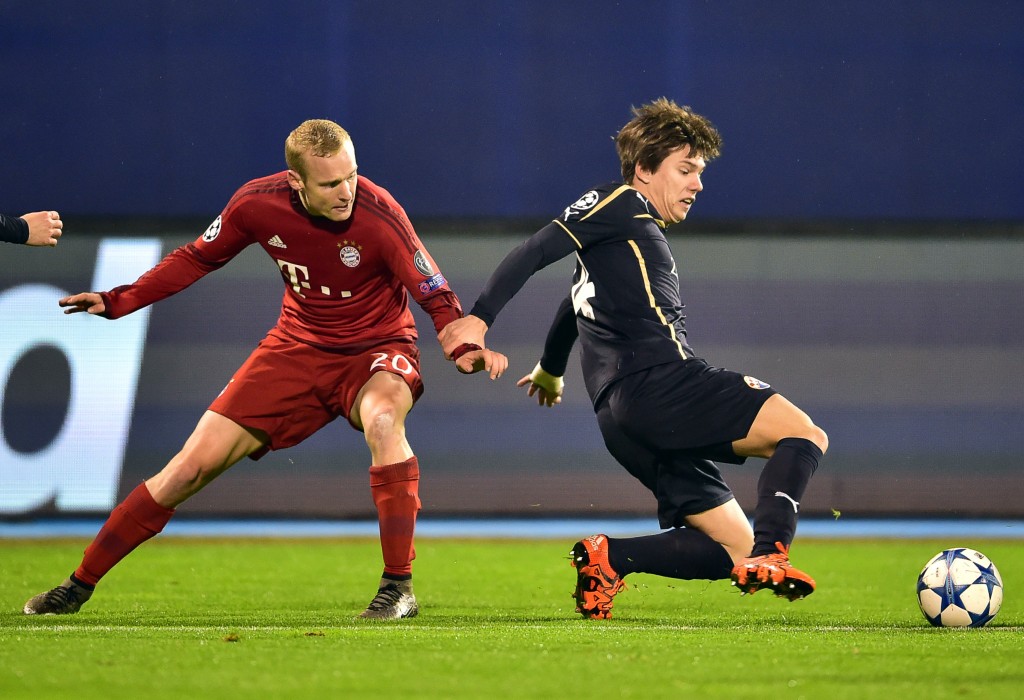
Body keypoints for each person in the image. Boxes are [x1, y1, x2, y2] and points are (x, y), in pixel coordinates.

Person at [23, 119, 507, 620]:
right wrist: (118, 300)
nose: (347, 192)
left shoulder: (380, 215)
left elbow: (435, 294)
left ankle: (397, 588)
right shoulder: (257, 203)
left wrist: (461, 347)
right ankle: (77, 585)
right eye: (330, 183)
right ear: (296, 181)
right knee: (187, 469)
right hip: (295, 348)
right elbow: (195, 258)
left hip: (377, 349)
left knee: (385, 421)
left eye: (352, 175)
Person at [439, 98, 828, 620]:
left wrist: (552, 369)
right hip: (663, 384)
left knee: (729, 549)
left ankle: (611, 558)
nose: (698, 184)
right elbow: (538, 248)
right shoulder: (619, 202)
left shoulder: (621, 241)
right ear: (644, 169)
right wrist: (480, 317)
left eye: (700, 172)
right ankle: (773, 552)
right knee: (803, 434)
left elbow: (571, 302)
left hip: (621, 419)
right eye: (685, 169)